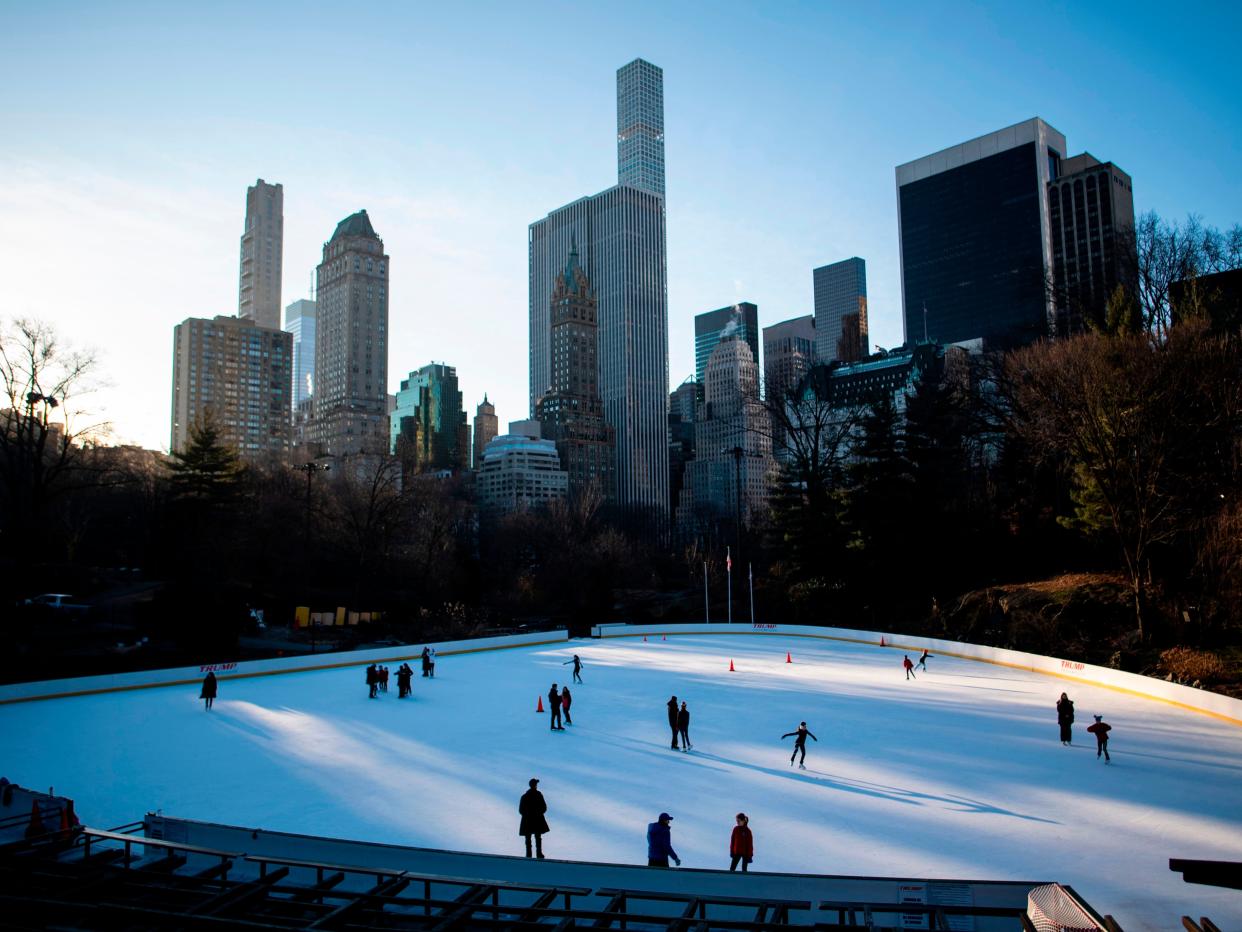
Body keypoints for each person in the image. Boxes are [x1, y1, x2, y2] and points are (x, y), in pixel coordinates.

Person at [519, 778, 549, 858]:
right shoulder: (538, 795)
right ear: (534, 785)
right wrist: (537, 813)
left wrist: (528, 814)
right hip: (536, 819)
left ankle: (529, 854)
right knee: (537, 837)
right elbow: (544, 807)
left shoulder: (524, 796)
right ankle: (538, 853)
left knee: (529, 837)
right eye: (536, 784)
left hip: (528, 820)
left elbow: (521, 810)